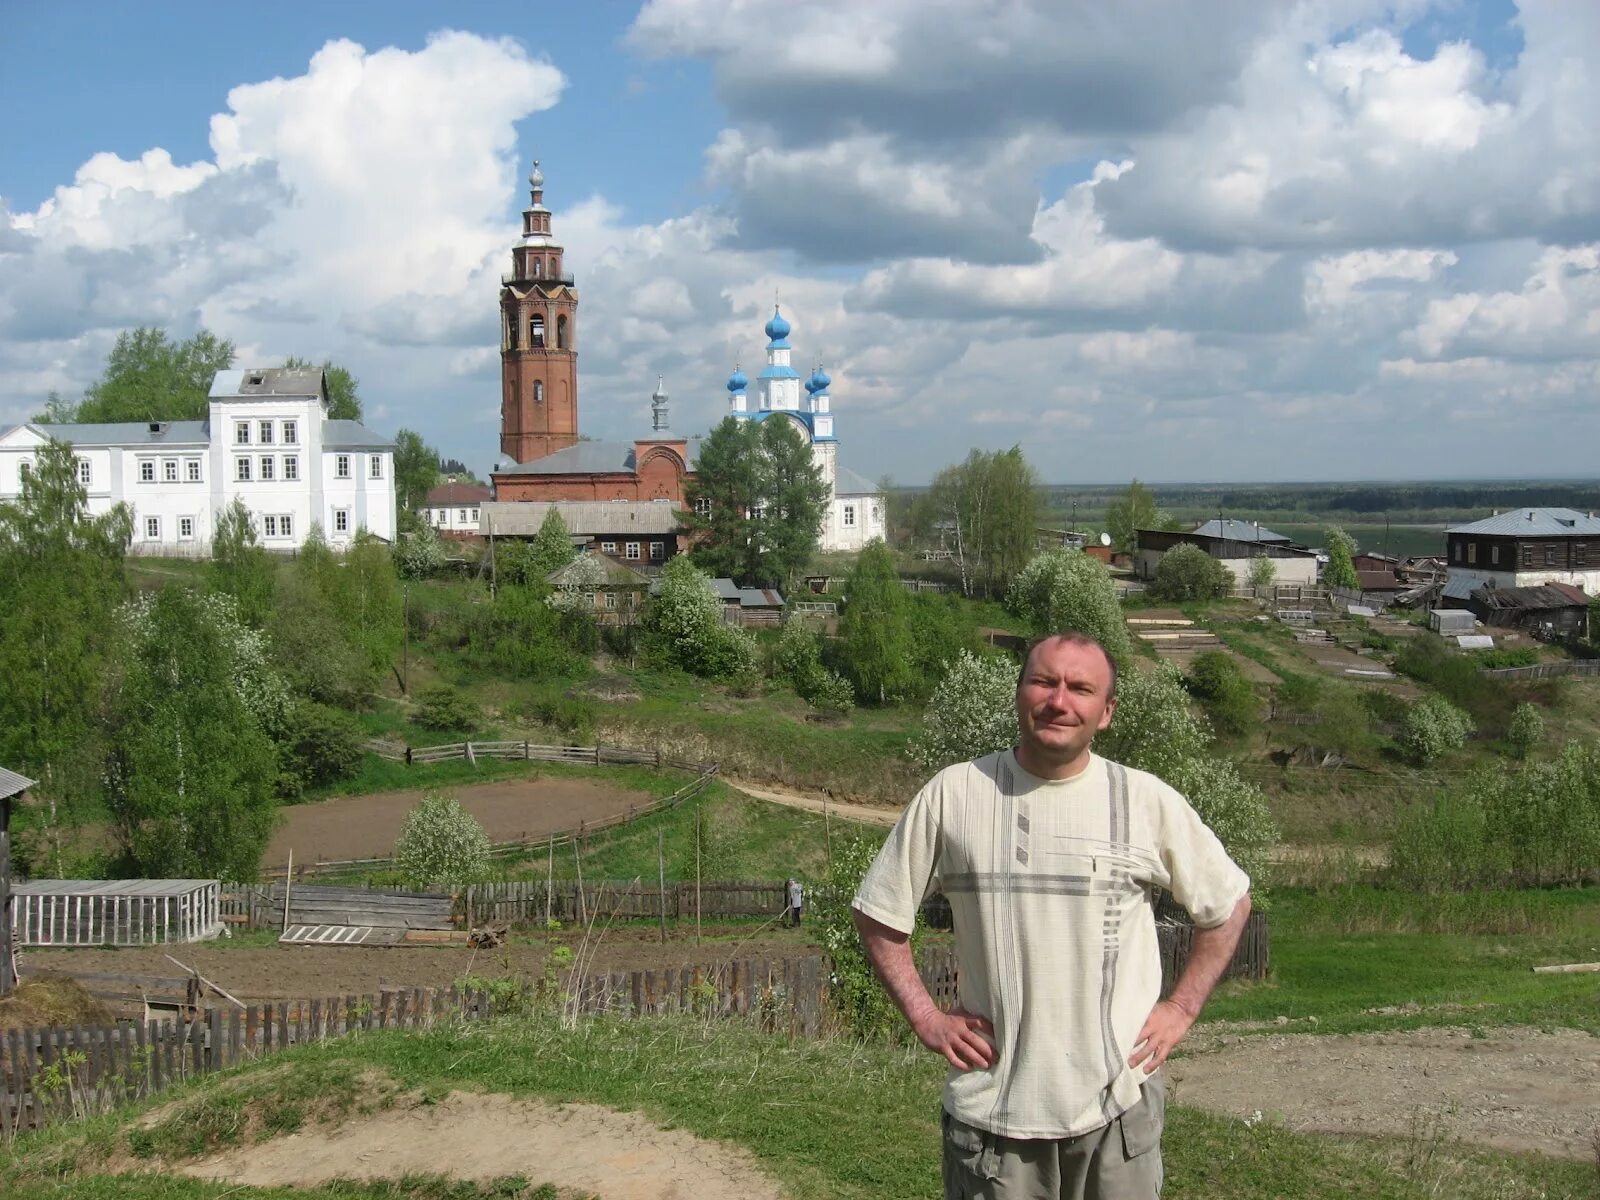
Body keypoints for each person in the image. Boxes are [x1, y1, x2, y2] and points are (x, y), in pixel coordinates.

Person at [852, 632, 1251, 1199]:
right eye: (1044, 681)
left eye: (1081, 688)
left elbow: (1230, 902)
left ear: (1106, 712)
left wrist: (1182, 1008)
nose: (1059, 700)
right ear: (1019, 693)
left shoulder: (1143, 800)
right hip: (994, 1122)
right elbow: (878, 914)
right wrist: (926, 1017)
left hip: (1118, 1114)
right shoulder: (954, 794)